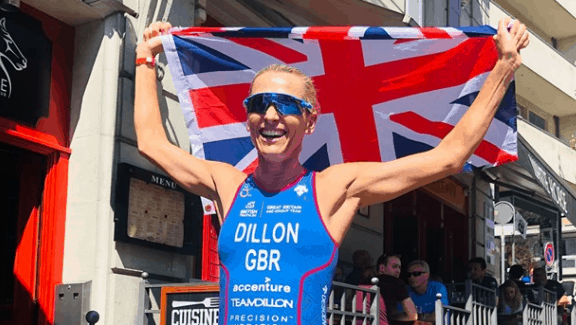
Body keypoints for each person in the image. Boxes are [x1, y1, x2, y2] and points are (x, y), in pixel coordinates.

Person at [134, 18, 529, 325]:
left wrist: (504, 66)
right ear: (248, 117)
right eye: (260, 104)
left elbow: (448, 158)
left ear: (308, 122)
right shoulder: (227, 183)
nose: (271, 116)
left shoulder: (333, 187)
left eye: (286, 105)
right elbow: (152, 144)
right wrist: (146, 58)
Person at [372, 254, 418, 324]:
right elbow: (412, 315)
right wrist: (392, 317)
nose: (398, 271)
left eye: (399, 267)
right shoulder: (396, 282)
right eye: (394, 267)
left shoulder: (363, 281)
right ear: (382, 268)